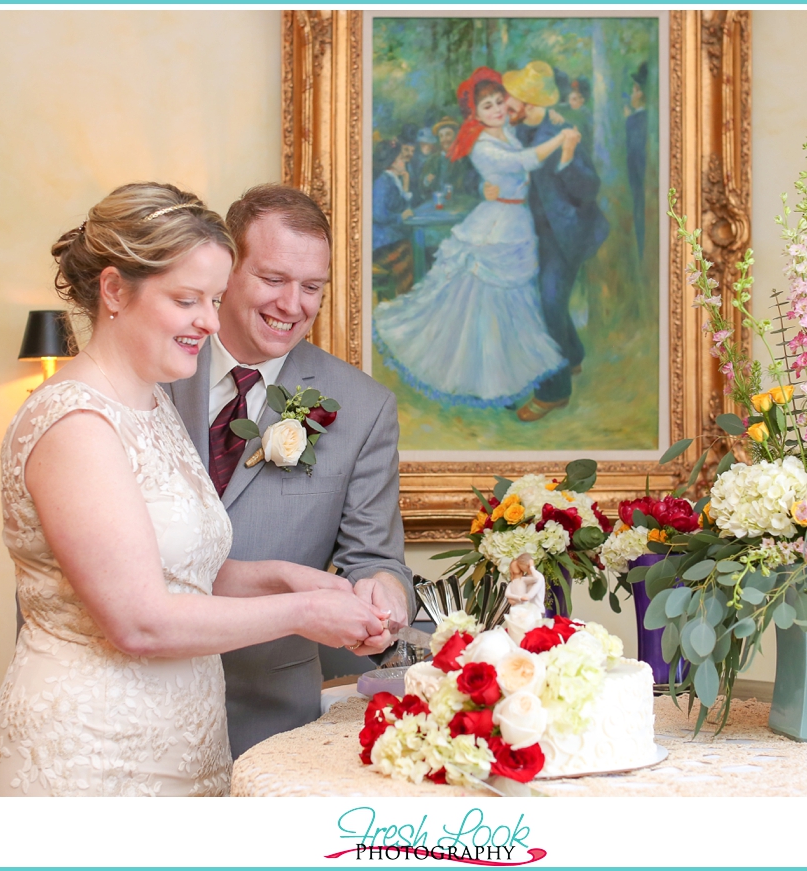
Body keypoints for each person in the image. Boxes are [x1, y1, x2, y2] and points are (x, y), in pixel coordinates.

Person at [0, 183, 389, 796]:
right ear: (115, 290)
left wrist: (288, 577)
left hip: (185, 744)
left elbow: (180, 572)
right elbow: (140, 620)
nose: (209, 320)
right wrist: (304, 612)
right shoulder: (76, 424)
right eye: (188, 299)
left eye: (215, 299)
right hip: (93, 754)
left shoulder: (150, 405)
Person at [164, 184, 414, 758]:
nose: (292, 304)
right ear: (227, 269)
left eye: (312, 287)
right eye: (273, 280)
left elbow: (374, 558)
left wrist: (385, 592)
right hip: (134, 688)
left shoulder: (363, 405)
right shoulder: (153, 368)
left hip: (268, 711)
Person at [372, 67, 577, 408]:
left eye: (499, 102)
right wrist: (560, 139)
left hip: (517, 221)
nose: (497, 109)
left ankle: (515, 376)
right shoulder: (482, 144)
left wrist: (555, 117)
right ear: (475, 114)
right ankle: (489, 381)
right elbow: (524, 161)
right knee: (487, 304)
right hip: (496, 225)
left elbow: (527, 133)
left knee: (516, 303)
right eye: (487, 107)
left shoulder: (507, 130)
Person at [504, 61, 611, 422]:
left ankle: (554, 391)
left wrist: (566, 159)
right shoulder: (516, 132)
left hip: (564, 234)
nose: (507, 104)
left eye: (513, 98)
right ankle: (575, 355)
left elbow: (589, 190)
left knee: (547, 303)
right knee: (544, 302)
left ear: (530, 102)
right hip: (527, 232)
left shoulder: (564, 132)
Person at [372, 139, 415, 299]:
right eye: (402, 159)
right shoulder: (383, 182)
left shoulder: (393, 180)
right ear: (394, 162)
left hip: (390, 239)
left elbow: (402, 206)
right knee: (408, 249)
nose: (405, 162)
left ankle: (406, 295)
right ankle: (403, 297)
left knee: (410, 245)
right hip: (381, 244)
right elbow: (378, 214)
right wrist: (399, 218)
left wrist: (405, 186)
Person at [625, 62, 650, 259]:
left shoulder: (634, 122)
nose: (632, 95)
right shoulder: (645, 119)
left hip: (640, 187)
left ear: (640, 93)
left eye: (634, 90)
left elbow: (633, 157)